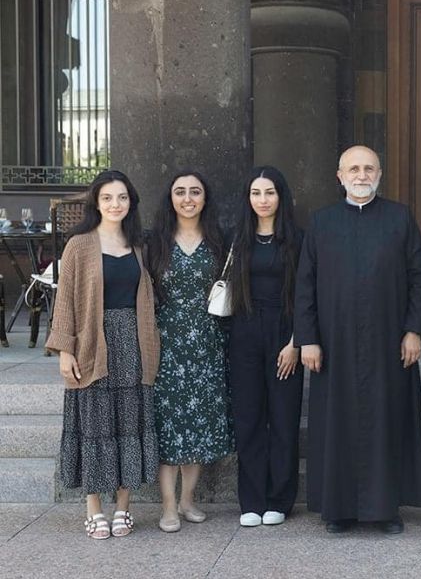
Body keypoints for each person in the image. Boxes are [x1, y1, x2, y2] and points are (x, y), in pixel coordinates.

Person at [295, 145, 421, 535]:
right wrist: (308, 339)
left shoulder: (400, 218)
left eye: (369, 168)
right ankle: (338, 509)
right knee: (337, 424)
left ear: (379, 174)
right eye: (353, 169)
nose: (361, 175)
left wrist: (413, 330)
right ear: (339, 176)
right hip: (333, 347)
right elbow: (305, 287)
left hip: (390, 343)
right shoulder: (321, 223)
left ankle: (385, 509)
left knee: (387, 421)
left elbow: (420, 279)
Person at [47, 170, 160, 539]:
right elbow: (65, 301)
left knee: (129, 427)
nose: (116, 204)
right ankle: (94, 507)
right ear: (96, 202)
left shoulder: (140, 245)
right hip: (92, 343)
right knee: (95, 428)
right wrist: (65, 350)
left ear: (131, 203)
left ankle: (123, 507)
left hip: (133, 343)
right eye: (108, 198)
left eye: (123, 197)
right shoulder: (79, 244)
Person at [146, 171, 234, 533]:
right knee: (168, 427)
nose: (187, 198)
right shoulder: (154, 243)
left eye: (194, 192)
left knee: (198, 425)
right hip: (166, 343)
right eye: (180, 192)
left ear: (204, 198)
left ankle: (187, 500)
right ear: (170, 198)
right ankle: (168, 506)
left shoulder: (219, 242)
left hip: (208, 342)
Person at [227, 166, 304, 527]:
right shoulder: (236, 240)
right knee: (249, 418)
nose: (263, 200)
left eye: (269, 192)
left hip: (284, 334)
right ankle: (252, 500)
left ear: (281, 196)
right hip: (244, 333)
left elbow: (307, 295)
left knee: (284, 419)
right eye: (256, 193)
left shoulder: (297, 240)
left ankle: (280, 498)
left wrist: (295, 343)